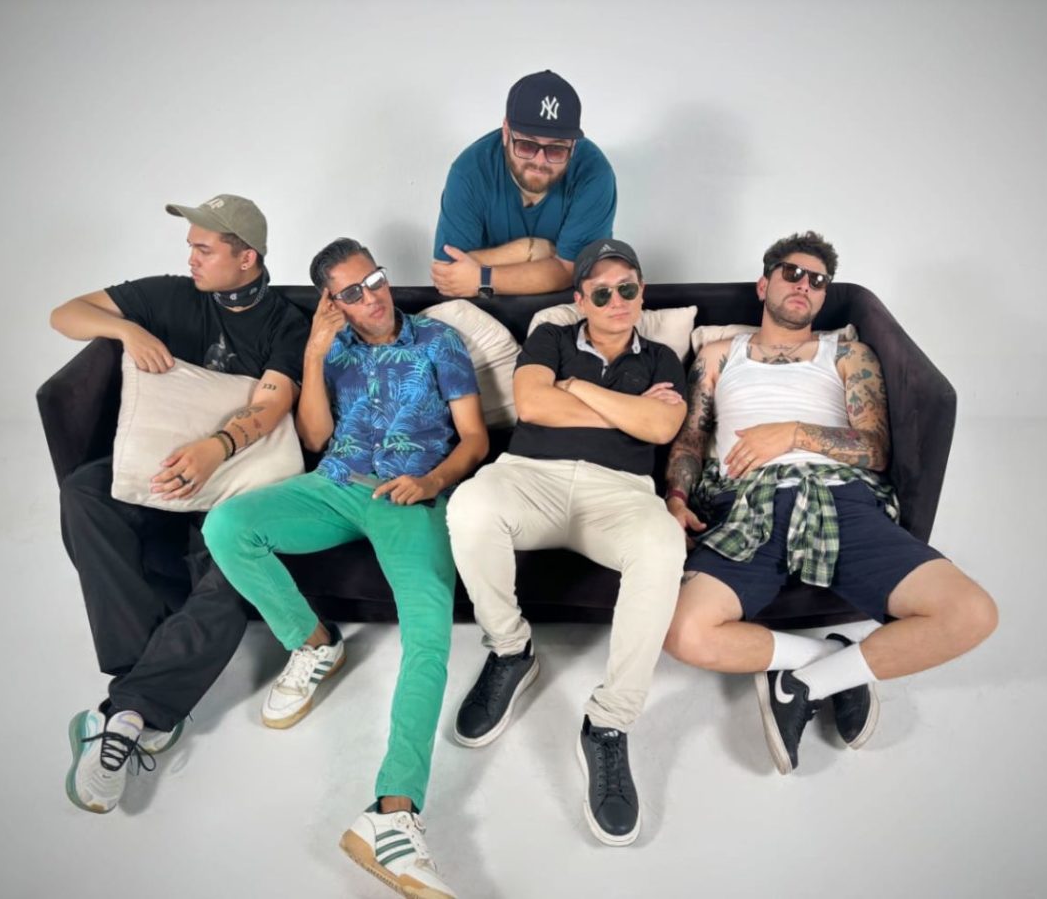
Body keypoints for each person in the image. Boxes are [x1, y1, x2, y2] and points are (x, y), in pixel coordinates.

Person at [203, 238, 487, 899]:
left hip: (408, 495)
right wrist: (313, 349)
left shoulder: (438, 341)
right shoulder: (332, 349)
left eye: (376, 280)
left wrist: (431, 481)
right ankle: (314, 643)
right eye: (353, 292)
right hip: (334, 487)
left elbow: (474, 438)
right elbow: (313, 438)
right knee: (227, 526)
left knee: (428, 634)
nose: (373, 296)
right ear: (333, 302)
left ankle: (393, 811)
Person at [662, 230, 998, 774]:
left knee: (972, 613)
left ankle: (805, 684)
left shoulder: (847, 354)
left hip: (839, 497)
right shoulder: (718, 355)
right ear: (764, 284)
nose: (805, 286)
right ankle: (832, 659)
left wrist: (792, 433)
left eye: (818, 281)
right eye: (793, 273)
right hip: (747, 505)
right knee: (683, 632)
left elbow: (875, 449)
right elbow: (690, 440)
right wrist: (676, 498)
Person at [50, 194, 308, 812]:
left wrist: (216, 448)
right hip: (164, 468)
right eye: (190, 246)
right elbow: (64, 314)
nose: (190, 257)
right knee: (84, 490)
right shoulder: (170, 294)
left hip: (237, 477)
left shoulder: (286, 325)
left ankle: (128, 713)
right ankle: (143, 682)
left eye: (204, 249)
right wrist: (126, 329)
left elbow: (271, 403)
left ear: (246, 258)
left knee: (237, 574)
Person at [446, 238, 687, 846]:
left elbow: (662, 426)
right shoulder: (550, 336)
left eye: (627, 288)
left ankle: (608, 723)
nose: (616, 301)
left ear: (642, 292)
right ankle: (511, 651)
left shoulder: (662, 356)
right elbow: (532, 403)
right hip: (531, 477)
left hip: (620, 494)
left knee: (663, 546)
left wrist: (574, 388)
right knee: (470, 505)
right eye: (601, 293)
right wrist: (627, 411)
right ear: (580, 300)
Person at [431, 69, 616, 298]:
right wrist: (528, 250)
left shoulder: (594, 173)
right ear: (506, 132)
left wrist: (482, 277)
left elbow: (573, 270)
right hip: (484, 302)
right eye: (527, 145)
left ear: (573, 145)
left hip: (568, 303)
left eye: (556, 149)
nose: (540, 162)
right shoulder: (470, 171)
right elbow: (448, 272)